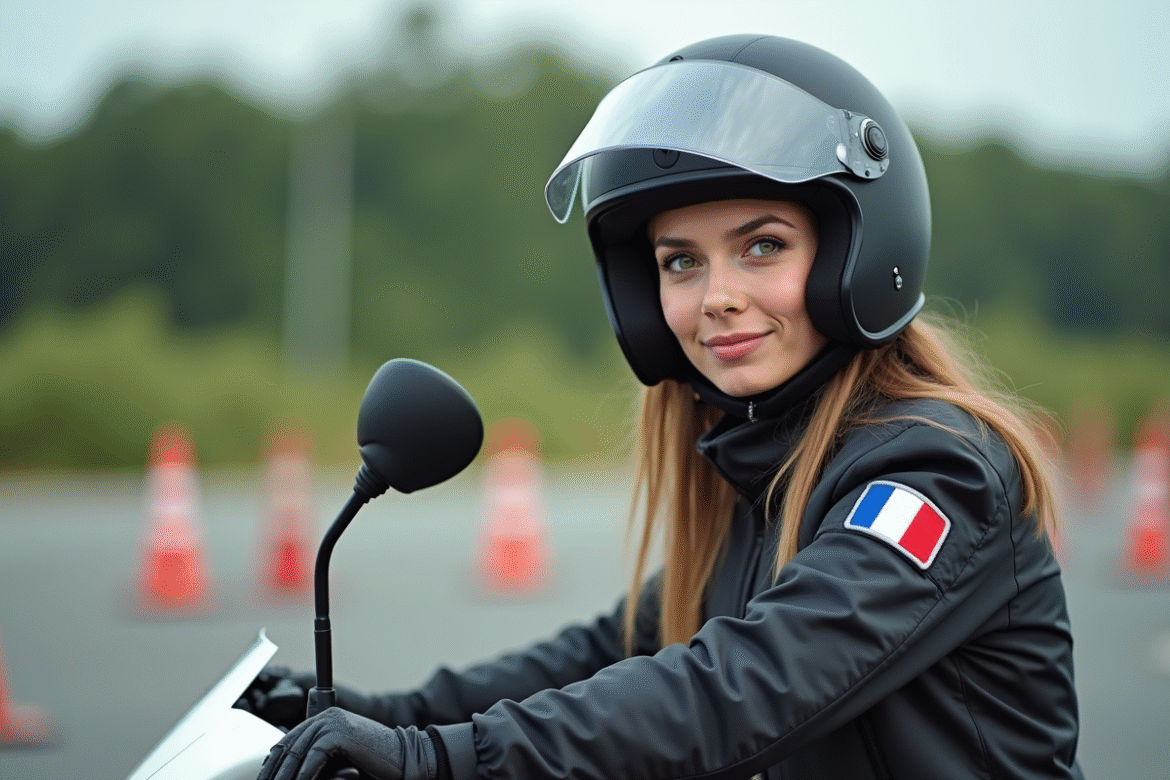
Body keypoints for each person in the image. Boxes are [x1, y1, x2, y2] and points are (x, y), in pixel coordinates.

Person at [249, 34, 1083, 780]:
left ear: (856, 253)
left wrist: (440, 761)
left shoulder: (933, 473)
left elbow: (748, 686)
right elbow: (604, 653)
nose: (717, 296)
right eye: (681, 263)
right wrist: (370, 715)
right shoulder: (763, 474)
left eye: (763, 246)